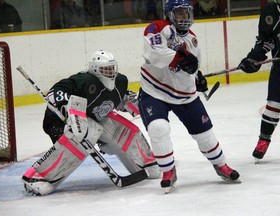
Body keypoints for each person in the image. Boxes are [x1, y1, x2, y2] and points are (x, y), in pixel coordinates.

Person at [21, 50, 160, 196]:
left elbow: (121, 98)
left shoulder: (120, 81)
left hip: (91, 118)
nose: (110, 73)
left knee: (122, 129)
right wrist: (68, 108)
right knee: (87, 131)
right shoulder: (83, 81)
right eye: (106, 69)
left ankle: (145, 163)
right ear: (95, 69)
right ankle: (39, 177)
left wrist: (142, 105)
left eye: (112, 68)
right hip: (58, 122)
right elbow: (55, 93)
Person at [138, 0, 240, 192]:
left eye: (186, 13)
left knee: (205, 135)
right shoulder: (157, 28)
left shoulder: (193, 41)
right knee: (158, 128)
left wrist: (197, 80)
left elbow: (192, 68)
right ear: (170, 14)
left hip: (184, 95)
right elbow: (155, 54)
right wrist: (180, 58)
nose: (184, 17)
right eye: (179, 13)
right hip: (154, 91)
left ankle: (221, 164)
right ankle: (168, 171)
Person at [238, 0, 280, 161]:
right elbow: (266, 40)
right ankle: (263, 140)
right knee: (274, 105)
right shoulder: (271, 10)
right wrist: (254, 57)